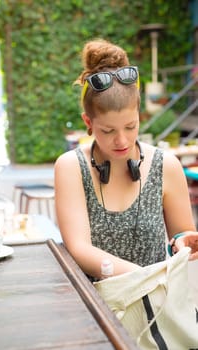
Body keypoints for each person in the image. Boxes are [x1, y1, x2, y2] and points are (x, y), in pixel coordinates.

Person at [54, 38, 198, 280]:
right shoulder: (70, 167)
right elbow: (79, 248)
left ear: (139, 116)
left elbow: (182, 234)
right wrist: (144, 278)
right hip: (94, 308)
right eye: (108, 131)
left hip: (156, 305)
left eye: (131, 127)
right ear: (88, 122)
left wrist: (184, 243)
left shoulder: (167, 165)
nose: (122, 140)